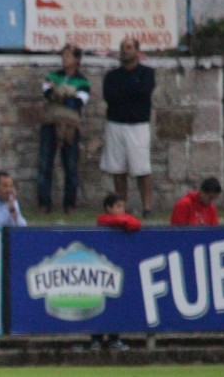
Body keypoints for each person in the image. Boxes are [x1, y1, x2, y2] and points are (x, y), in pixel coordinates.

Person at [101, 37, 156, 217]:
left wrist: (126, 92)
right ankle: (121, 207)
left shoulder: (147, 73)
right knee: (118, 170)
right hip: (116, 124)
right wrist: (131, 90)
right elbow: (110, 97)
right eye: (123, 47)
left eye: (129, 47)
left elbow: (143, 93)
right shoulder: (112, 76)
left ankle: (146, 207)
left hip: (138, 125)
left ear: (137, 51)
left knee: (142, 169)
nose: (126, 51)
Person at [36, 44, 90, 215]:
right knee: (45, 164)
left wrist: (59, 92)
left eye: (68, 56)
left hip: (70, 126)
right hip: (50, 123)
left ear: (76, 60)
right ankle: (44, 203)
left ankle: (70, 204)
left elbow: (78, 102)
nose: (64, 59)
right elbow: (47, 93)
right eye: (63, 56)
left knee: (70, 166)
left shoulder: (83, 81)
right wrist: (67, 94)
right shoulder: (52, 75)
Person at [89, 193, 140, 351]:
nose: (122, 210)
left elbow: (136, 224)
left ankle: (114, 338)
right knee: (98, 303)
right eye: (118, 207)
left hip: (116, 270)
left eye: (123, 207)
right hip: (101, 270)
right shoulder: (104, 221)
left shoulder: (121, 225)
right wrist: (124, 220)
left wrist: (125, 220)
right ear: (108, 208)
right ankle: (96, 339)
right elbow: (108, 221)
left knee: (115, 304)